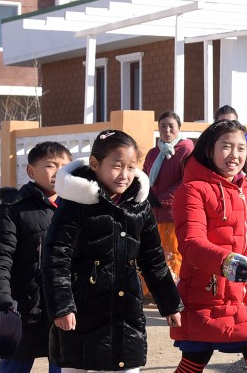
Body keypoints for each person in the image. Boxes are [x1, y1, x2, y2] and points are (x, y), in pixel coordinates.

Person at [42, 130, 182, 373]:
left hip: (126, 311)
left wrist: (170, 304)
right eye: (117, 166)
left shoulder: (140, 206)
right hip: (81, 314)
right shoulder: (74, 205)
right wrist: (63, 306)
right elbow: (55, 259)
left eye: (131, 167)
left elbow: (153, 259)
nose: (125, 175)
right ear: (95, 164)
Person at [171, 119, 247, 373]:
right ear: (209, 149)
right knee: (194, 362)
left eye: (241, 148)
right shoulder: (192, 190)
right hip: (207, 291)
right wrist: (227, 262)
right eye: (227, 146)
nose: (235, 154)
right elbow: (191, 243)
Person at [0, 141, 73, 373]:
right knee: (14, 365)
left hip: (64, 308)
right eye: (50, 166)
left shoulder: (76, 208)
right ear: (31, 171)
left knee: (65, 365)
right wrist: (3, 306)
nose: (57, 172)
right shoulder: (13, 209)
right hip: (24, 309)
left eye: (64, 167)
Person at [143, 111, 194, 278]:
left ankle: (172, 291)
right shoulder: (153, 153)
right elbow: (144, 176)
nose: (167, 130)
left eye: (171, 126)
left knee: (172, 253)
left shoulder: (186, 149)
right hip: (153, 212)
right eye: (163, 126)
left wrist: (161, 199)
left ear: (179, 128)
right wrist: (146, 195)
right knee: (153, 252)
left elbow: (186, 181)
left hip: (172, 213)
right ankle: (152, 291)